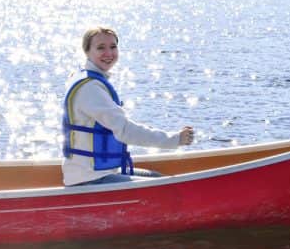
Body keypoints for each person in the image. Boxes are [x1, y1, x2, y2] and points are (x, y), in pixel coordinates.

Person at [62, 26, 194, 186]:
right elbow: (125, 130)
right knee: (165, 187)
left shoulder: (88, 79)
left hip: (101, 173)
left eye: (113, 47)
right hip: (89, 179)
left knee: (158, 178)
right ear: (87, 51)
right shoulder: (90, 88)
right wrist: (174, 139)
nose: (109, 53)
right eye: (100, 48)